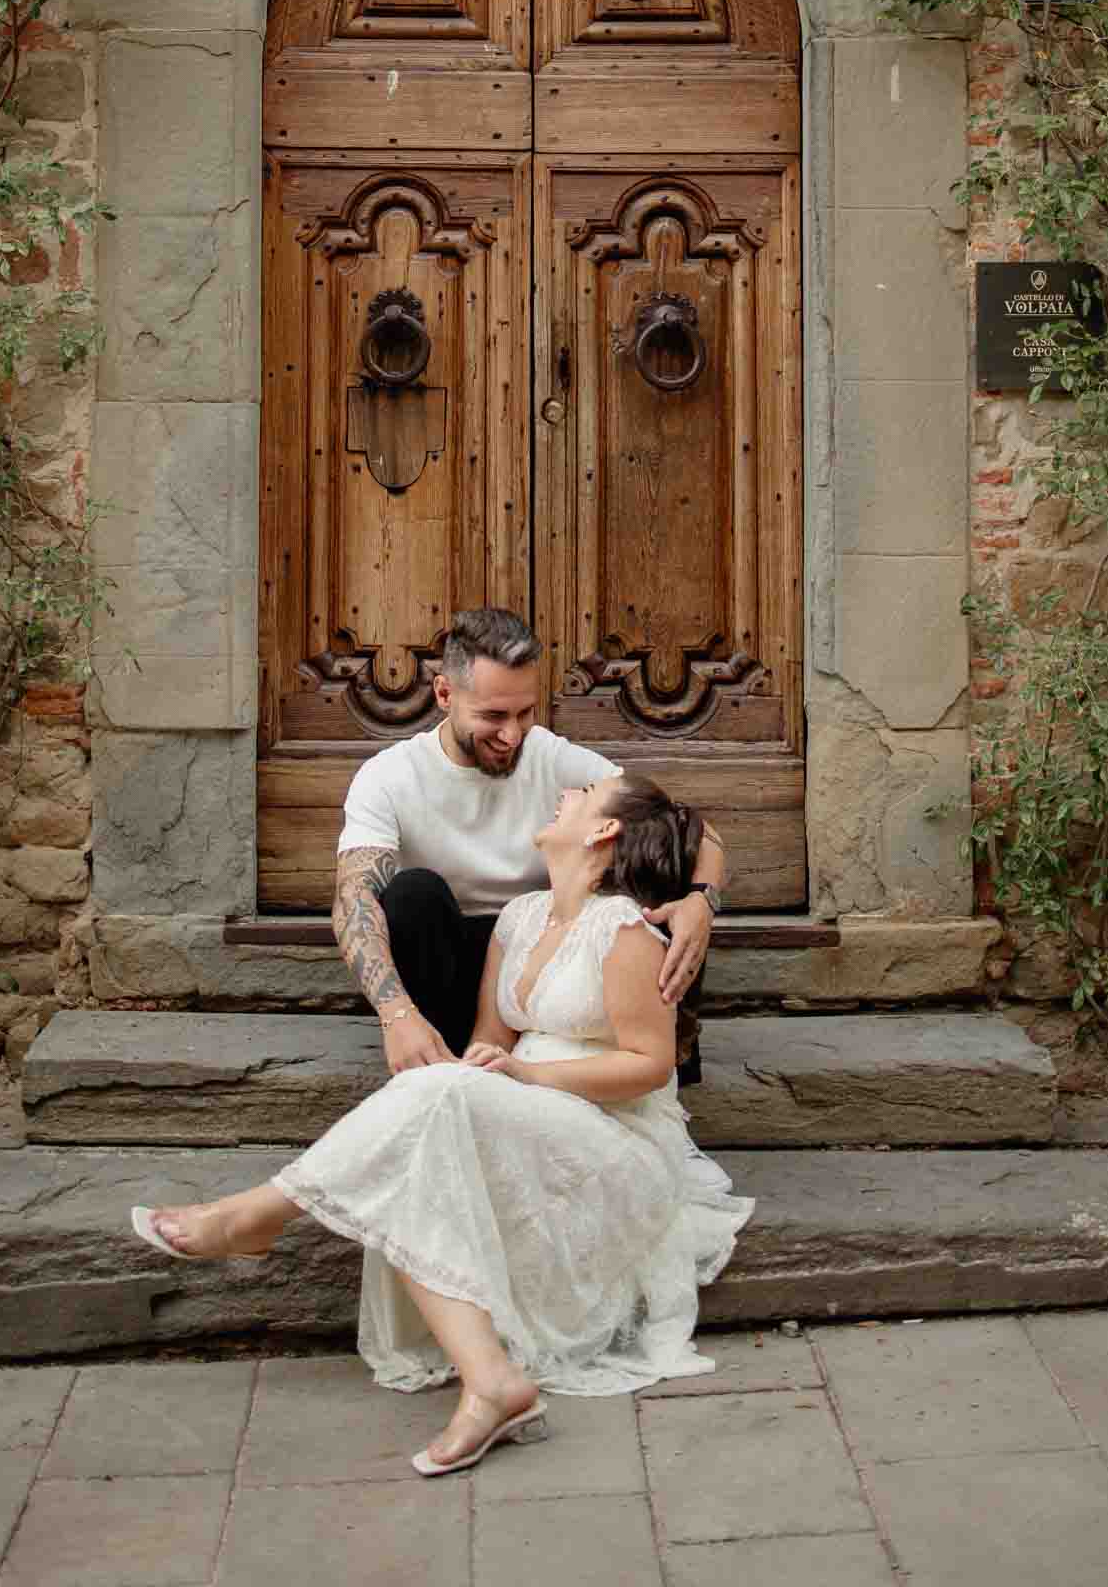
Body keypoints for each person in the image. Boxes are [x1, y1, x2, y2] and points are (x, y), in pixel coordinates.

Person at [131, 772, 753, 1476]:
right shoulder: (521, 918)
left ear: (604, 830)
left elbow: (648, 1064)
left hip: (614, 1138)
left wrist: (527, 1078)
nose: (567, 793)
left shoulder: (626, 928)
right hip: (537, 1119)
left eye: (584, 794)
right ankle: (491, 1382)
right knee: (430, 1124)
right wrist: (495, 1073)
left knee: (435, 1101)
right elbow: (494, 1040)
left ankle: (262, 1215)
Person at [330, 606, 726, 1077]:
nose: (512, 734)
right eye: (493, 715)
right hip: (449, 964)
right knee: (411, 893)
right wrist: (397, 1015)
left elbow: (683, 829)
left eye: (525, 712)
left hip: (545, 955)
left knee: (657, 852)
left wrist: (702, 902)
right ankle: (440, 1063)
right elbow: (352, 896)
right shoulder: (389, 777)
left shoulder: (550, 756)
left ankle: (655, 1054)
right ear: (443, 693)